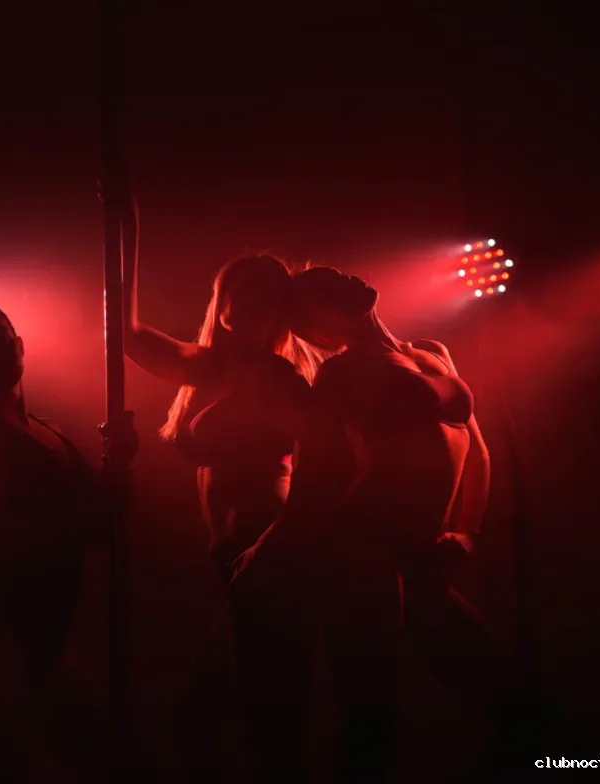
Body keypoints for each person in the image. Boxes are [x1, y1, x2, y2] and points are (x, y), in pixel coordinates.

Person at [114, 190, 350, 780]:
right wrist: (127, 226)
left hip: (265, 550)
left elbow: (332, 464)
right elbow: (127, 335)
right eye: (240, 294)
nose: (250, 307)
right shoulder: (210, 367)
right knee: (236, 716)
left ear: (281, 312)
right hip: (232, 554)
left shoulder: (281, 378)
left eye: (266, 298)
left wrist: (277, 543)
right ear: (221, 307)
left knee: (254, 718)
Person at [240, 264, 498, 781]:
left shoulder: (432, 351)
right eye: (324, 288)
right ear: (318, 330)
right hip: (361, 550)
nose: (344, 278)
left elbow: (479, 454)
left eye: (337, 274)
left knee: (509, 699)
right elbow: (317, 476)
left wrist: (467, 532)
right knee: (372, 718)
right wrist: (270, 545)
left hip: (417, 552)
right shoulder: (340, 374)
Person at [0, 301, 136, 781]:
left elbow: (98, 520)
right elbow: (8, 541)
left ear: (20, 345)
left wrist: (117, 463)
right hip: (1, 640)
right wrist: (104, 485)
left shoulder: (47, 431)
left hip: (41, 637)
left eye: (2, 337)